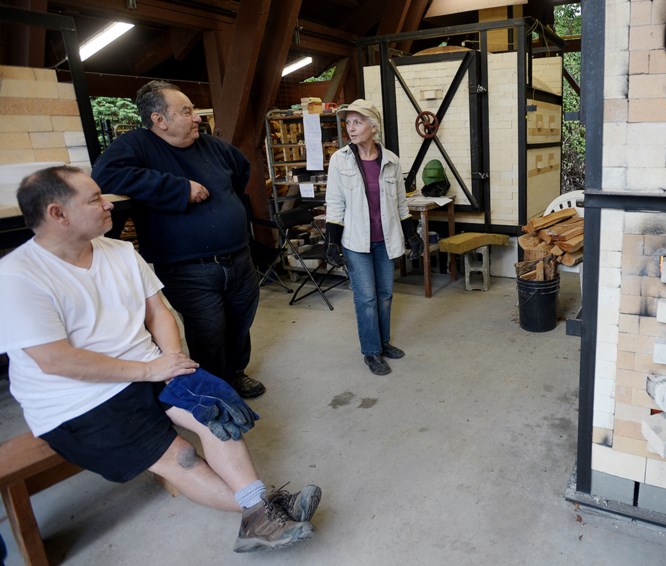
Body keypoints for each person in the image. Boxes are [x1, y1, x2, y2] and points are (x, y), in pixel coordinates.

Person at [0, 166, 320, 553]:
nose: (109, 205)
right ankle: (267, 509)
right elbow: (56, 361)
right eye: (95, 199)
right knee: (179, 455)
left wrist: (172, 361)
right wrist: (152, 370)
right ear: (57, 214)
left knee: (216, 413)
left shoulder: (118, 250)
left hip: (152, 366)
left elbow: (159, 314)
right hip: (77, 400)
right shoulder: (18, 276)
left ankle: (261, 515)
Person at [91, 80, 265, 399]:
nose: (197, 117)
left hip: (239, 258)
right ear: (160, 120)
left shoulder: (211, 145)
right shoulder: (137, 145)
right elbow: (105, 177)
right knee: (208, 332)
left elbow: (241, 170)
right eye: (186, 111)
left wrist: (227, 207)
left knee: (240, 322)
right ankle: (216, 389)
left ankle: (236, 372)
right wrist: (178, 189)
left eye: (193, 110)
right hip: (188, 269)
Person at [325, 99, 423, 375]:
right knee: (366, 298)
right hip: (356, 242)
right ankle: (371, 351)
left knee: (385, 295)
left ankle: (383, 342)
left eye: (357, 122)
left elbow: (402, 205)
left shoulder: (391, 161)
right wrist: (331, 241)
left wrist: (412, 235)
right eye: (348, 123)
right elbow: (334, 204)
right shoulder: (339, 160)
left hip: (385, 240)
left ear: (373, 126)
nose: (351, 129)